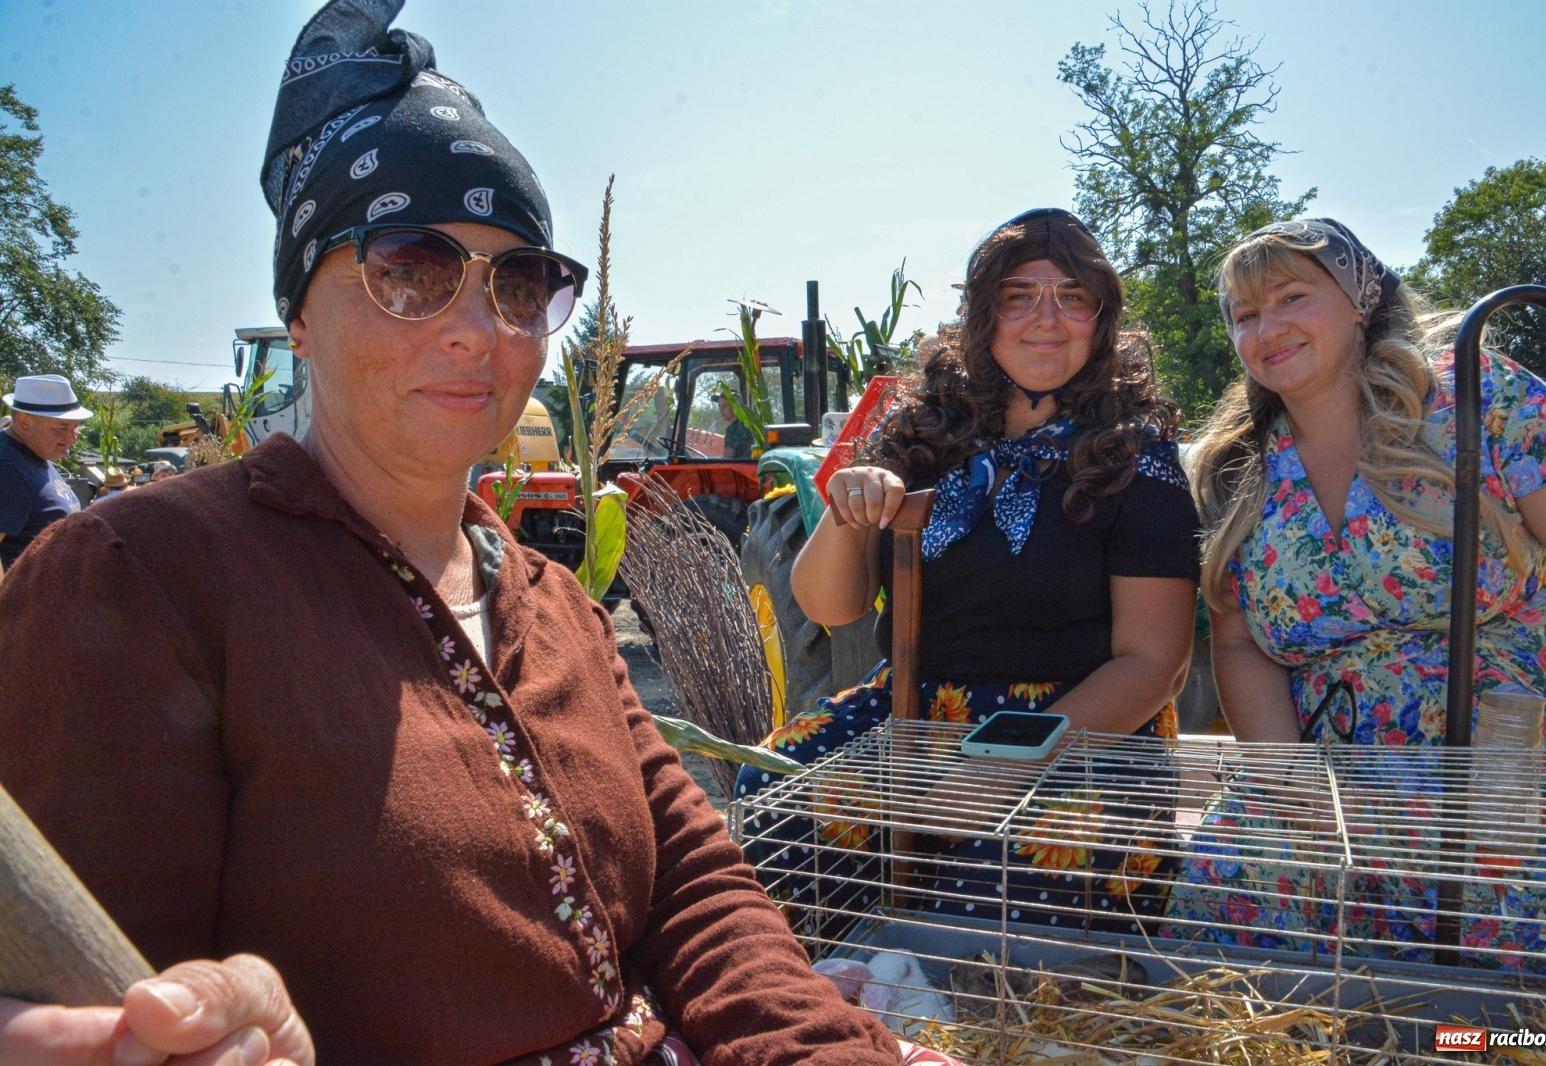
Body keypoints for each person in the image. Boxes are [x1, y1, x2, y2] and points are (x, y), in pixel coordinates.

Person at [0, 5, 963, 1065]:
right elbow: (85, 988)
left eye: (517, 283)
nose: (476, 327)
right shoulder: (143, 579)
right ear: (301, 318)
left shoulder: (554, 604)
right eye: (409, 268)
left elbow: (695, 889)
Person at [733, 208, 1200, 934]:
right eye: (1020, 296)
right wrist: (848, 507)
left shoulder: (1136, 462)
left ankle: (944, 1010)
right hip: (919, 716)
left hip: (1079, 729)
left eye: (1073, 297)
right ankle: (840, 992)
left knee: (999, 876)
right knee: (775, 789)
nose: (1047, 318)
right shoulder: (923, 434)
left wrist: (1003, 764)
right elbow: (828, 608)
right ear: (984, 317)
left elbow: (1154, 664)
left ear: (1101, 320)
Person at [1163, 217, 1546, 973]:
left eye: (1293, 296)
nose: (1268, 327)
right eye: (1245, 315)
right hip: (1342, 782)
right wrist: (1289, 783)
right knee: (1232, 884)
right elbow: (1239, 641)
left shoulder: (1477, 396)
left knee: (1508, 990)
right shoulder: (1239, 469)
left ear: (1360, 301)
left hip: (1517, 762)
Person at [0, 373, 93, 581]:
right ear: (24, 421)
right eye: (61, 428)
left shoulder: (34, 457)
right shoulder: (7, 468)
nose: (72, 437)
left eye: (75, 427)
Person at [717, 391, 755, 458]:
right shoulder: (732, 427)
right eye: (719, 406)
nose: (721, 410)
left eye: (724, 405)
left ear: (735, 406)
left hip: (743, 467)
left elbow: (728, 455)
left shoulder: (743, 426)